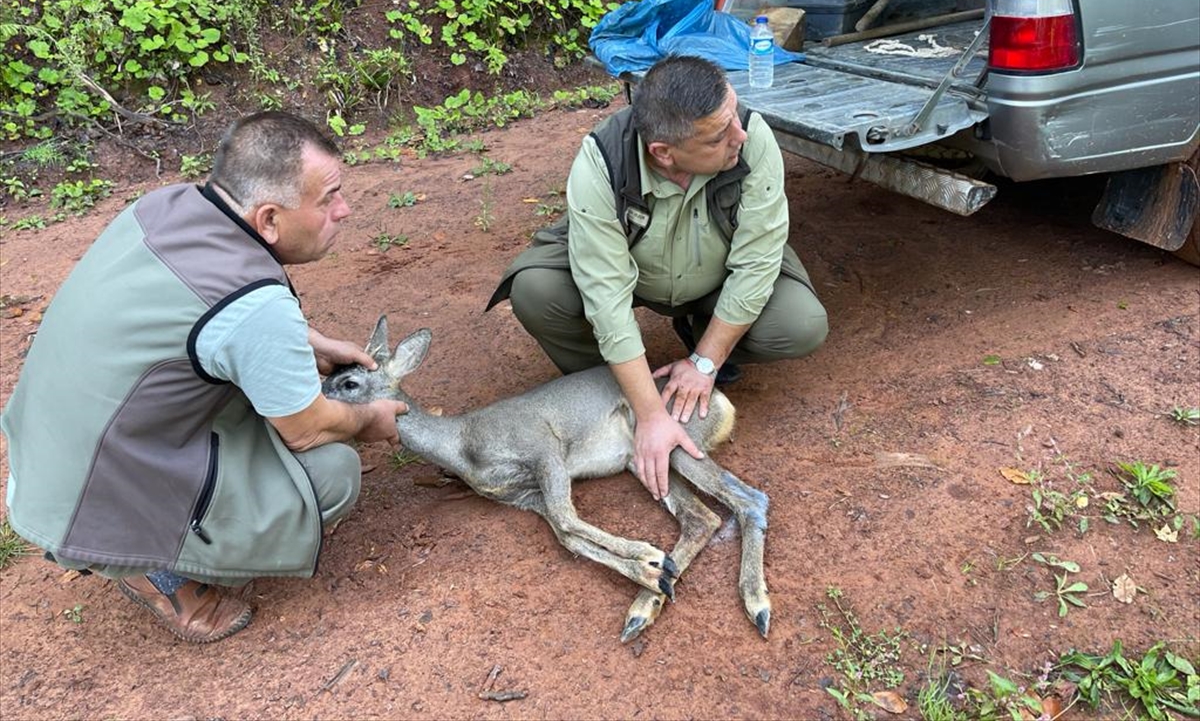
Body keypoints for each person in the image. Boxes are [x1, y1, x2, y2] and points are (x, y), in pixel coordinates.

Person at [0, 110, 408, 644]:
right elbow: (306, 428)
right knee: (331, 470)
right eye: (328, 197)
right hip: (81, 505)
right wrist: (366, 417)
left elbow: (198, 311)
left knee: (256, 397)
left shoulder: (164, 207)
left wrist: (309, 341)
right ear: (267, 220)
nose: (344, 210)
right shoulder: (255, 306)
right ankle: (155, 569)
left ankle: (131, 530)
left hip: (46, 460)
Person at [487, 55, 828, 502]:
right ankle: (613, 394)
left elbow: (757, 262)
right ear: (664, 153)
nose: (738, 137)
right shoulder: (602, 160)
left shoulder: (751, 137)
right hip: (634, 276)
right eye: (718, 136)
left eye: (735, 119)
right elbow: (606, 297)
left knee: (800, 323)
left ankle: (701, 343)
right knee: (537, 290)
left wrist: (705, 361)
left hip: (716, 277)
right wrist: (648, 414)